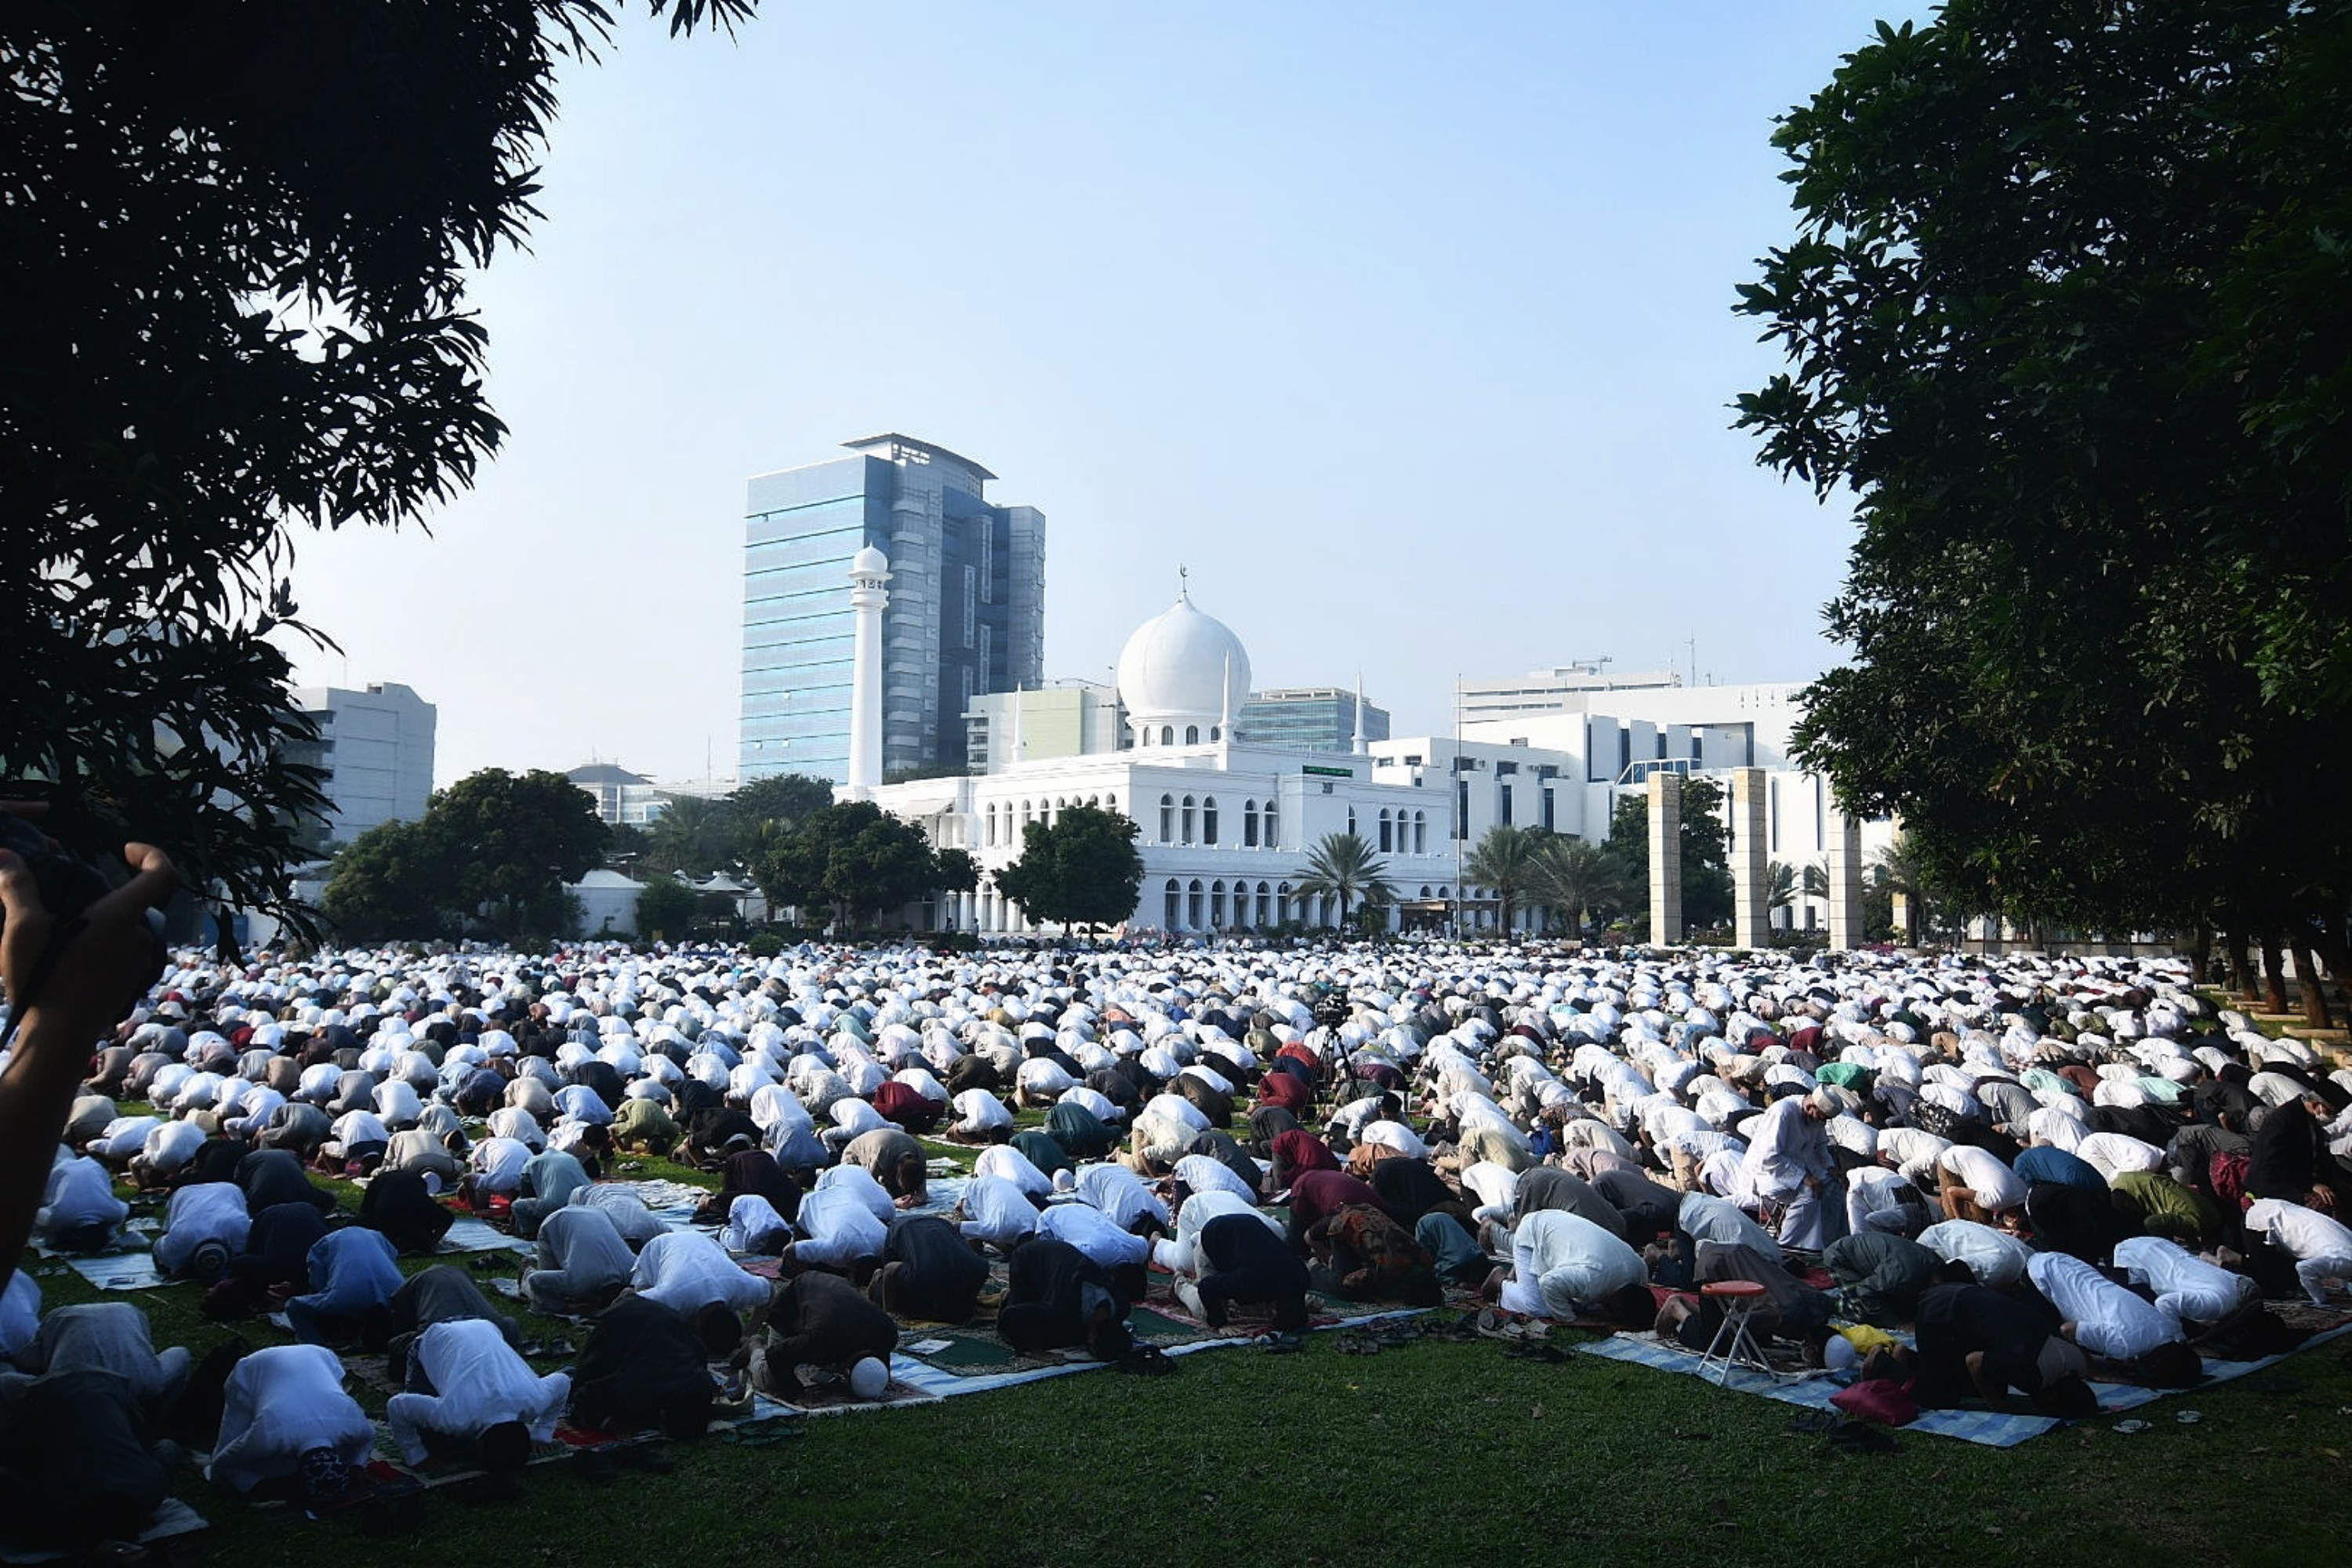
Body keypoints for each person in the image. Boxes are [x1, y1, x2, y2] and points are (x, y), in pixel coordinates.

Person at [385, 1317, 570, 1468]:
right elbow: (397, 1406)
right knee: (436, 1444)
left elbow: (562, 1381)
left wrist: (542, 1434)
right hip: (434, 1338)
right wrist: (416, 1456)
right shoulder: (455, 1417)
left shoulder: (535, 1400)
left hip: (484, 1327)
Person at [207, 1343, 376, 1498]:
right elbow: (223, 1462)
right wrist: (258, 1486)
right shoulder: (270, 1435)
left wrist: (356, 1467)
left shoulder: (353, 1424)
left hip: (319, 1355)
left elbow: (368, 1439)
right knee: (221, 1465)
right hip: (254, 1368)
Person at [1903, 1282, 2097, 1416]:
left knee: (1981, 1384)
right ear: (2053, 1396)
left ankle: (1920, 1362)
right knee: (1940, 1397)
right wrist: (1996, 1405)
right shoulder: (2032, 1373)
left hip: (1969, 1299)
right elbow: (1974, 1361)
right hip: (1940, 1310)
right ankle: (1891, 1364)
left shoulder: (2077, 1362)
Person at [2025, 1250, 2200, 1385]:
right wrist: (2093, 1370)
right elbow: (2067, 1329)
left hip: (2067, 1263)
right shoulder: (2125, 1346)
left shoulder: (2169, 1329)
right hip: (2040, 1277)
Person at [571, 1294, 716, 1439]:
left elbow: (699, 1350)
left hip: (665, 1318)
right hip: (624, 1319)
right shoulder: (641, 1387)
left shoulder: (703, 1383)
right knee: (583, 1378)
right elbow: (583, 1398)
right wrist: (611, 1424)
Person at [0, 1301, 191, 1410]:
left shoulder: (58, 1316)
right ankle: (161, 1420)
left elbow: (27, 1359)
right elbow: (145, 1346)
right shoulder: (130, 1310)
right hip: (140, 1385)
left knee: (6, 1379)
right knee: (181, 1354)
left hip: (79, 1395)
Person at [745, 1269, 898, 1396]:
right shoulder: (819, 1339)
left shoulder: (886, 1331)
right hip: (790, 1305)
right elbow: (775, 1356)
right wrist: (797, 1392)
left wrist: (883, 1377)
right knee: (769, 1380)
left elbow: (883, 1351)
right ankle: (754, 1345)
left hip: (829, 1290)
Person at [1491, 1209, 1646, 1321]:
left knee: (1579, 1302)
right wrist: (1571, 1320)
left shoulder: (1640, 1271)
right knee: (1538, 1307)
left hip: (1555, 1223)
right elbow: (1548, 1283)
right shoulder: (1592, 1278)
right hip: (1532, 1234)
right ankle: (1500, 1283)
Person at [996, 1236, 1133, 1360]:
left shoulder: (1121, 1308)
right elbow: (1010, 1316)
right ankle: (1008, 1297)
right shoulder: (1062, 1308)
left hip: (1064, 1265)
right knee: (1013, 1330)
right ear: (1094, 1334)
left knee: (1066, 1334)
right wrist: (1033, 1350)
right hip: (1028, 1258)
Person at [1175, 1210, 1312, 1331]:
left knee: (1247, 1304)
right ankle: (1180, 1284)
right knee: (1205, 1309)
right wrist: (1220, 1324)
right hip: (1212, 1238)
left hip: (1246, 1232)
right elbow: (1207, 1288)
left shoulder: (1300, 1276)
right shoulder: (1247, 1281)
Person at [1738, 1091, 1838, 1248]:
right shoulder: (1783, 1112)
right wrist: (1804, 1177)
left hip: (1797, 1169)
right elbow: (1769, 1157)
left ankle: (1830, 1243)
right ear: (1811, 1105)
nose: (1822, 1122)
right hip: (1767, 1173)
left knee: (1833, 1186)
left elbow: (1820, 1147)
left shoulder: (1817, 1119)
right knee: (1809, 1193)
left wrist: (1830, 1168)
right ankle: (1790, 1246)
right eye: (1821, 1117)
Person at [286, 1223, 404, 1346]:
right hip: (397, 1294)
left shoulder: (323, 1244)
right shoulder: (378, 1236)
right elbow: (392, 1258)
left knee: (294, 1305)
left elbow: (318, 1284)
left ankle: (313, 1345)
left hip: (348, 1297)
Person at [2114, 1235, 2259, 1334]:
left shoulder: (2221, 1301)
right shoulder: (2216, 1305)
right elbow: (2164, 1304)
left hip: (2152, 1245)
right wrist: (2178, 1337)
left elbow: (2165, 1303)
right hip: (2139, 1251)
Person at [1305, 1203, 1442, 1306]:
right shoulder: (1391, 1267)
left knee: (1346, 1285)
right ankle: (1313, 1267)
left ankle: (1318, 1268)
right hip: (1347, 1224)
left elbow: (1357, 1279)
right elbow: (1349, 1281)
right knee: (1342, 1287)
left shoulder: (1423, 1261)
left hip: (1362, 1218)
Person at [869, 1214, 989, 1323]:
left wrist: (889, 1309)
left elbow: (889, 1269)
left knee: (886, 1272)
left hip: (928, 1276)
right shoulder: (942, 1222)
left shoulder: (894, 1228)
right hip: (977, 1270)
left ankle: (891, 1313)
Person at [524, 1202, 637, 1314]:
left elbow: (536, 1280)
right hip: (557, 1221)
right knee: (549, 1280)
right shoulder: (632, 1273)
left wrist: (563, 1307)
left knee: (539, 1284)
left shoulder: (633, 1271)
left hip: (592, 1213)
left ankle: (526, 1274)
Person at [630, 1229, 769, 1319]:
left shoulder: (743, 1287)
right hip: (659, 1247)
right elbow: (627, 1299)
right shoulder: (671, 1296)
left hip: (704, 1242)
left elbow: (770, 1293)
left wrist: (748, 1334)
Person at [2243, 1197, 2352, 1306]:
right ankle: (2234, 1258)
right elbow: (2304, 1268)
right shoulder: (2345, 1261)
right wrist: (2321, 1301)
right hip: (2264, 1219)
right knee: (2271, 1286)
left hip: (2283, 1212)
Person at [1824, 1230, 1940, 1327]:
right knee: (1863, 1311)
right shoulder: (1902, 1274)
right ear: (1935, 1283)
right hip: (1840, 1257)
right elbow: (1864, 1291)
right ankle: (1830, 1303)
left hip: (1868, 1255)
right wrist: (1898, 1324)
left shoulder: (1935, 1262)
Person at [151, 1181, 251, 1280]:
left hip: (222, 1189)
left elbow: (161, 1244)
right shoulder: (240, 1227)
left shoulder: (178, 1242)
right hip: (227, 1188)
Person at [37, 1152, 129, 1252]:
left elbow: (47, 1198)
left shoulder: (60, 1219)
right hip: (72, 1215)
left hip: (65, 1217)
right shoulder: (115, 1215)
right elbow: (108, 1193)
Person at [358, 1166, 456, 1255]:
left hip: (384, 1213)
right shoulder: (418, 1203)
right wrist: (433, 1242)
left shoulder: (413, 1194)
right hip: (389, 1214)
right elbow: (447, 1219)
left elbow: (365, 1214)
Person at [510, 1146, 593, 1239]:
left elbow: (526, 1195)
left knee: (517, 1206)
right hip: (586, 1203)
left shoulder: (531, 1164)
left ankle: (531, 1235)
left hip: (558, 1206)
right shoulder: (569, 1158)